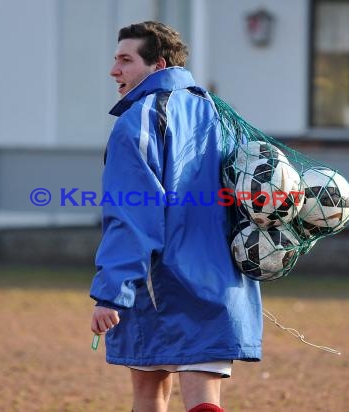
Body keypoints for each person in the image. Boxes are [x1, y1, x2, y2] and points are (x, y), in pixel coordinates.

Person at [89, 21, 262, 412]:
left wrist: (111, 293)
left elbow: (132, 214)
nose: (114, 70)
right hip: (223, 284)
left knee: (150, 393)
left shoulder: (137, 120)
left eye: (125, 60)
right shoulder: (221, 114)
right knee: (205, 399)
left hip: (160, 284)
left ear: (158, 65)